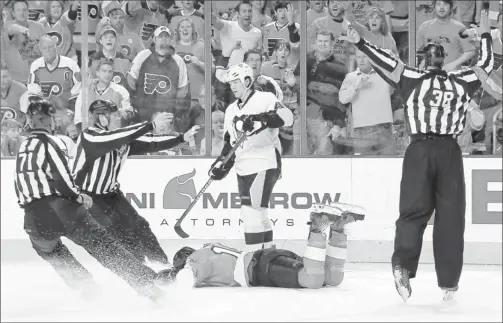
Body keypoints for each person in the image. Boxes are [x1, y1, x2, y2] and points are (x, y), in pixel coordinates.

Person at [339, 11, 494, 302]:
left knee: (412, 213)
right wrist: (484, 36)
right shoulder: (462, 79)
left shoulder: (411, 76)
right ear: (444, 59)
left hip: (418, 150)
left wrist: (360, 42)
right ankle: (448, 284)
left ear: (423, 60)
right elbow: (487, 64)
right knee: (450, 218)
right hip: (449, 151)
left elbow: (385, 62)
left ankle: (403, 266)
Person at [14, 95, 166, 302]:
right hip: (62, 211)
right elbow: (62, 181)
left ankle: (86, 286)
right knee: (106, 249)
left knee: (50, 250)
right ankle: (149, 286)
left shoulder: (23, 147)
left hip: (33, 219)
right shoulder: (51, 144)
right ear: (48, 120)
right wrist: (78, 197)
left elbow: (20, 186)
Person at [71, 99, 199, 267]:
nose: (119, 118)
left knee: (139, 226)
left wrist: (181, 138)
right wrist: (151, 124)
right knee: (116, 235)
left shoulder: (119, 138)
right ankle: (138, 275)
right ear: (102, 119)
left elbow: (151, 143)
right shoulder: (90, 136)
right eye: (115, 115)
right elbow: (117, 137)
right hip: (87, 197)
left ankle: (162, 266)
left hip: (111, 194)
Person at [163, 203, 364, 289]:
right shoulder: (210, 249)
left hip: (258, 268)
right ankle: (338, 229)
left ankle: (319, 225)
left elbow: (184, 278)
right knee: (332, 278)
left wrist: (165, 279)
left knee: (311, 279)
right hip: (266, 258)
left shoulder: (197, 259)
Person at [208, 63, 293, 251]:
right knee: (259, 213)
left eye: (236, 81)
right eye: (230, 83)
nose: (233, 86)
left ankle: (252, 259)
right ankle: (266, 256)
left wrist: (260, 119)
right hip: (243, 166)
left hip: (264, 162)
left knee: (250, 213)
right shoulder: (231, 110)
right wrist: (221, 163)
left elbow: (287, 118)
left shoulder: (265, 98)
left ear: (247, 80)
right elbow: (230, 144)